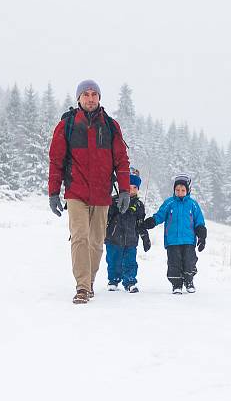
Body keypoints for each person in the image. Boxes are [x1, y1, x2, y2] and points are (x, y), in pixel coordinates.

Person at [48, 79, 131, 304]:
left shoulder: (111, 126)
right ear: (78, 99)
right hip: (76, 192)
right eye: (86, 94)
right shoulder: (67, 126)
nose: (91, 98)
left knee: (96, 241)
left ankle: (90, 281)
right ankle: (82, 286)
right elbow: (56, 161)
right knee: (79, 237)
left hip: (102, 194)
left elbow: (121, 160)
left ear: (99, 98)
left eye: (94, 94)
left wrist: (124, 190)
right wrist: (53, 193)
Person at [141, 174, 207, 294]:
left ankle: (189, 281)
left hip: (189, 240)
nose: (180, 192)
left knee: (189, 261)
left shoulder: (193, 204)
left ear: (187, 190)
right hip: (172, 240)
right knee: (174, 263)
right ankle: (176, 284)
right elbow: (160, 215)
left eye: (183, 190)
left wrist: (202, 235)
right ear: (174, 190)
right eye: (177, 190)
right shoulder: (169, 203)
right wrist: (151, 222)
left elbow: (199, 221)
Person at [105, 173, 151, 293]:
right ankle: (113, 280)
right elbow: (105, 219)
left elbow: (141, 223)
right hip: (113, 238)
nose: (132, 190)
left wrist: (145, 237)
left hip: (131, 240)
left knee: (130, 262)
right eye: (129, 186)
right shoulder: (114, 200)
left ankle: (130, 281)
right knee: (113, 260)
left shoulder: (139, 205)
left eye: (135, 187)